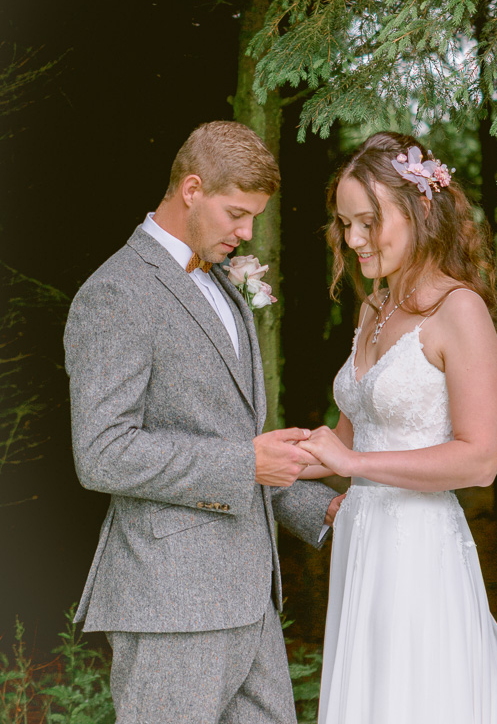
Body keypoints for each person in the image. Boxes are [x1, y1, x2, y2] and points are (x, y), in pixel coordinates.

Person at [64, 120, 340, 724]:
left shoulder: (222, 286)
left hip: (252, 600)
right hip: (170, 604)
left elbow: (232, 443)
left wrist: (319, 510)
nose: (247, 233)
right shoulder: (116, 292)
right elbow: (103, 452)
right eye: (237, 214)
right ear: (191, 189)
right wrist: (248, 462)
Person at [299, 131, 497, 724]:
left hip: (419, 552)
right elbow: (347, 439)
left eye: (369, 221)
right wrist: (269, 456)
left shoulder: (460, 311)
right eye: (345, 223)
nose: (353, 239)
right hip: (360, 545)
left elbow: (480, 459)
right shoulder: (374, 307)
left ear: (420, 210)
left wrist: (355, 468)